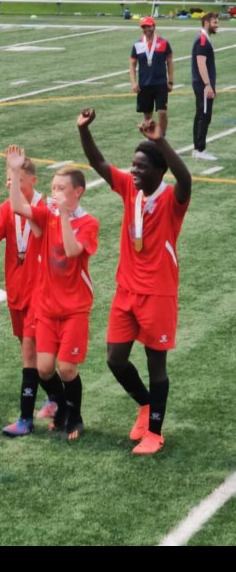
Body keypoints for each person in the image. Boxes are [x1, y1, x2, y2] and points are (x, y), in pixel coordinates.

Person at [78, 109, 191, 455]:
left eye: (141, 166)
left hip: (158, 293)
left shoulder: (172, 199)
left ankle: (155, 432)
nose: (134, 171)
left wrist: (160, 140)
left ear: (160, 171)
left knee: (157, 365)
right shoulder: (131, 188)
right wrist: (83, 130)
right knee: (115, 358)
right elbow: (97, 161)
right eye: (133, 165)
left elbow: (186, 178)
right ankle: (145, 405)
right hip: (126, 290)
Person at [9, 146, 98, 441]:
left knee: (67, 368)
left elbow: (73, 252)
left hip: (74, 308)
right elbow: (20, 208)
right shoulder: (46, 214)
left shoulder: (88, 223)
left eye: (61, 188)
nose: (55, 192)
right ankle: (60, 407)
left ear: (78, 192)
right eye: (52, 188)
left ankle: (74, 417)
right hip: (47, 308)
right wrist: (14, 171)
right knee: (45, 369)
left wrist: (61, 215)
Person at [0, 155, 59, 436]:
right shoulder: (7, 209)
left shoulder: (47, 208)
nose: (12, 184)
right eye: (9, 179)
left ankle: (25, 419)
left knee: (28, 355)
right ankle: (58, 398)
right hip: (17, 291)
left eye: (18, 180)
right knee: (34, 358)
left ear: (33, 181)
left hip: (41, 292)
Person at [130, 16, 174, 135]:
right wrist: (134, 82)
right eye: (144, 27)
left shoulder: (164, 43)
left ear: (154, 26)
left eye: (148, 26)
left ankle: (162, 137)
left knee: (162, 113)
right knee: (147, 116)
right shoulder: (137, 44)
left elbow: (170, 62)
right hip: (144, 84)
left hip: (160, 84)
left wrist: (170, 82)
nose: (146, 29)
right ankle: (150, 140)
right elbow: (132, 64)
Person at [191, 12, 220, 161]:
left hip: (202, 84)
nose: (217, 25)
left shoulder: (204, 39)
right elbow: (201, 63)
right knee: (204, 116)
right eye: (215, 22)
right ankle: (200, 150)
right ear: (207, 23)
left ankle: (197, 148)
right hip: (203, 85)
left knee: (201, 116)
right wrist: (208, 85)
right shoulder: (203, 40)